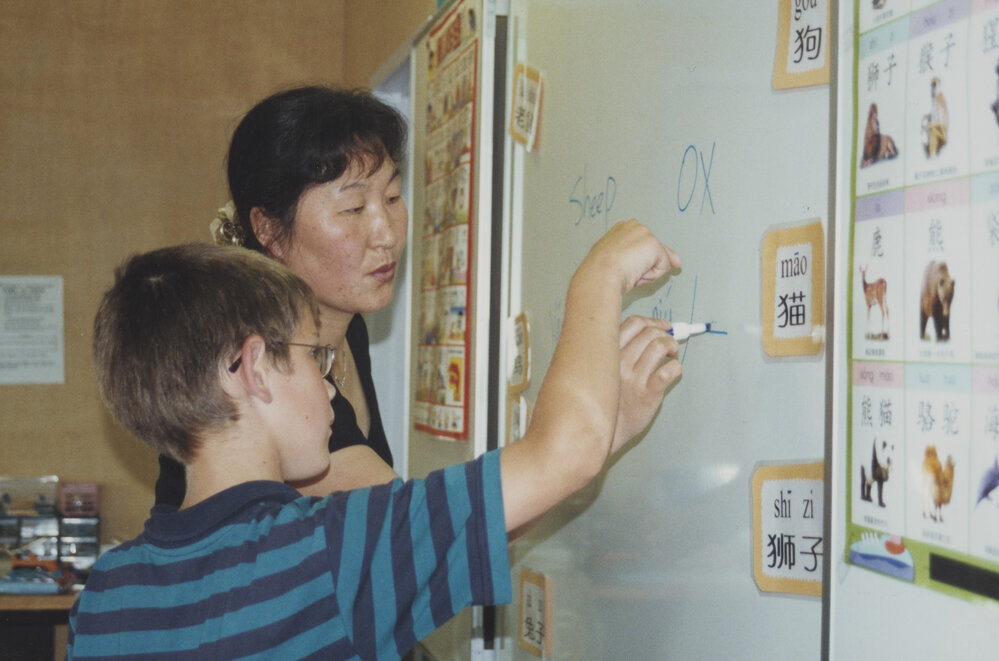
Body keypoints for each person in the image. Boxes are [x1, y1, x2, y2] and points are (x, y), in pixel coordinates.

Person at [71, 219, 682, 659]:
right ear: (255, 368)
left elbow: (481, 523)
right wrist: (598, 274)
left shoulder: (105, 595)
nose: (332, 391)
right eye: (318, 358)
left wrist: (609, 423)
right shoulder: (327, 551)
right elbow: (562, 454)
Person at [155, 85, 407, 507]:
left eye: (393, 198)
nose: (387, 234)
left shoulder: (350, 326)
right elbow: (411, 527)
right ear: (269, 229)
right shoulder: (256, 359)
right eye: (354, 209)